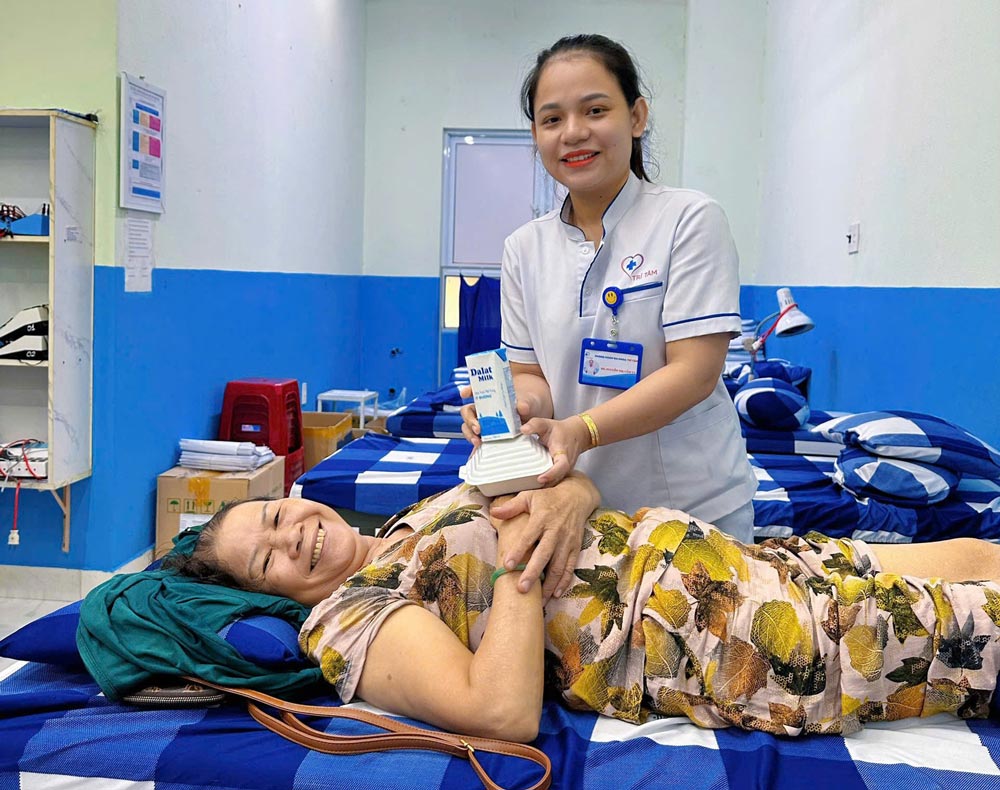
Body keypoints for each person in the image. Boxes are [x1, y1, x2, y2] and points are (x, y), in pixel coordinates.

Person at [164, 479, 1000, 744]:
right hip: (726, 633)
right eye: (266, 560)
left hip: (756, 564)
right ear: (268, 595)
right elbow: (497, 712)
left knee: (978, 559)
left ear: (297, 495)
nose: (293, 539)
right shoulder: (348, 619)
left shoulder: (399, 528)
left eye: (277, 517)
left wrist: (564, 489)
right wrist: (524, 557)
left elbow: (572, 501)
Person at [460, 33, 758, 558]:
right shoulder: (524, 248)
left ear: (636, 116)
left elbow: (694, 371)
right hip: (579, 508)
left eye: (595, 110)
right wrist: (513, 411)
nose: (573, 133)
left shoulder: (688, 220)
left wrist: (583, 429)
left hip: (693, 507)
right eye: (551, 119)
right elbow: (532, 375)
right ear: (536, 135)